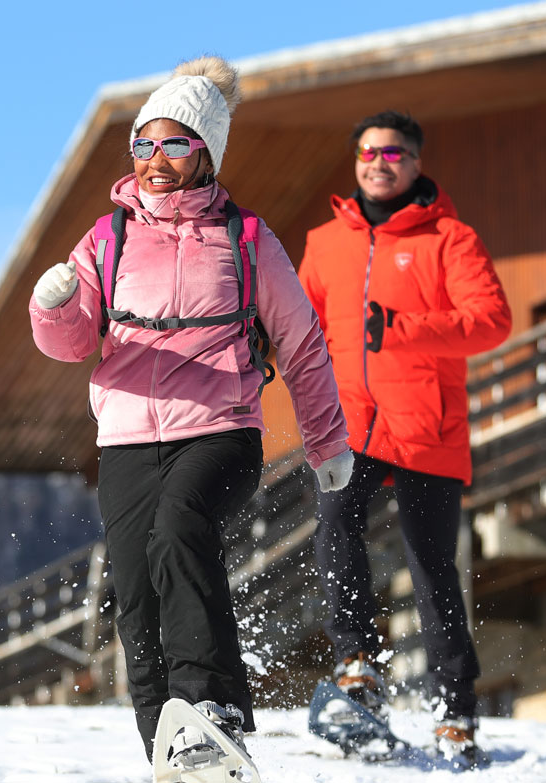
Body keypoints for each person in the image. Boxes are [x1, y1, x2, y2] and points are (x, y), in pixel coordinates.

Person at [29, 56, 355, 764]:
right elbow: (75, 336)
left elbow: (300, 344)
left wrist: (327, 444)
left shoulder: (246, 239)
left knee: (180, 529)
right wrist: (51, 307)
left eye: (173, 145)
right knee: (137, 594)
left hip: (219, 431)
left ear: (204, 153)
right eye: (144, 145)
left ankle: (215, 706)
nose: (154, 160)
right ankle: (172, 753)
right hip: (124, 440)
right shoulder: (108, 239)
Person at [296, 110, 511, 762]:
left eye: (393, 153)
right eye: (367, 151)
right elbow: (298, 322)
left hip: (427, 426)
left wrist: (406, 327)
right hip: (350, 420)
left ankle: (457, 713)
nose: (378, 162)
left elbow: (491, 320)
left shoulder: (451, 238)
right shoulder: (324, 241)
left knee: (432, 569)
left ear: (415, 163)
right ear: (354, 161)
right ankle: (357, 659)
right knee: (334, 524)